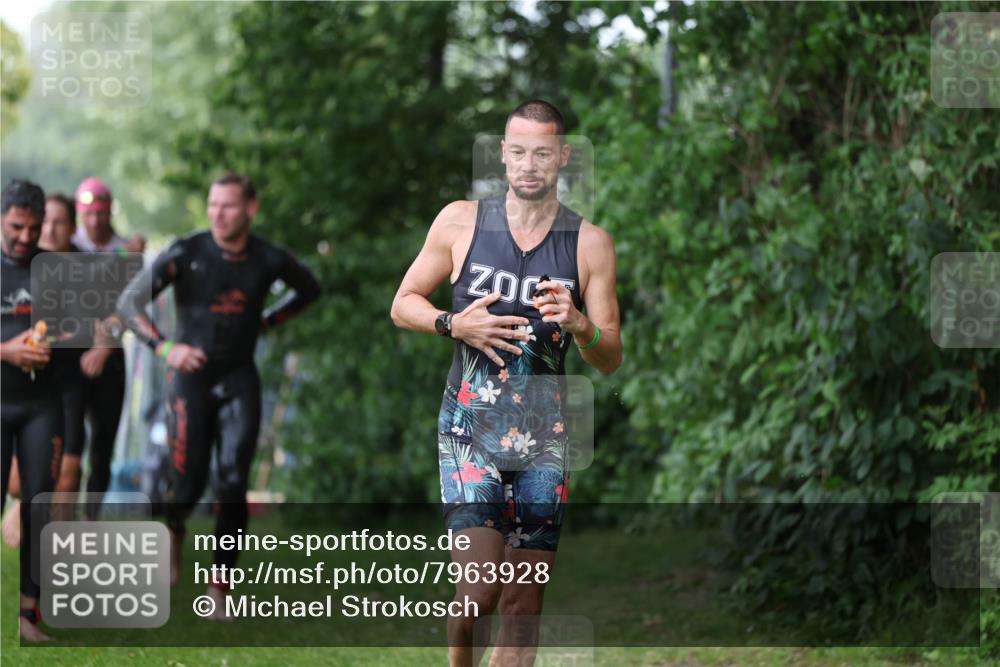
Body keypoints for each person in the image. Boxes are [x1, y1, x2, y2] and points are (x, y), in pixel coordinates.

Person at [390, 100, 622, 666]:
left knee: (521, 610)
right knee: (478, 595)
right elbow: (402, 304)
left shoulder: (590, 244)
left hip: (546, 440)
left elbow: (611, 356)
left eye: (542, 152)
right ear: (502, 153)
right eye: (517, 151)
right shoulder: (459, 221)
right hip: (470, 429)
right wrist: (454, 322)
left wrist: (579, 324)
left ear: (563, 157)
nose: (529, 164)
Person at [117, 173, 321, 619]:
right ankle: (174, 529)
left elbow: (310, 289)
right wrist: (166, 348)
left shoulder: (267, 257)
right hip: (189, 382)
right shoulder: (187, 252)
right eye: (212, 205)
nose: (217, 214)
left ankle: (219, 589)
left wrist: (266, 321)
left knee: (231, 483)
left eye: (228, 206)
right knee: (187, 484)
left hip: (238, 380)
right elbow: (130, 304)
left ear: (251, 209)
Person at [0, 179, 62, 641]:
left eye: (33, 229)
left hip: (42, 406)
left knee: (39, 506)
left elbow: (86, 327)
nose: (25, 237)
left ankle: (27, 617)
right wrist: (7, 352)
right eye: (17, 227)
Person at [72, 176, 146, 253]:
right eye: (88, 214)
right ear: (80, 215)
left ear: (110, 213)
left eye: (100, 214)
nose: (95, 222)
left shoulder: (124, 246)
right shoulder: (70, 243)